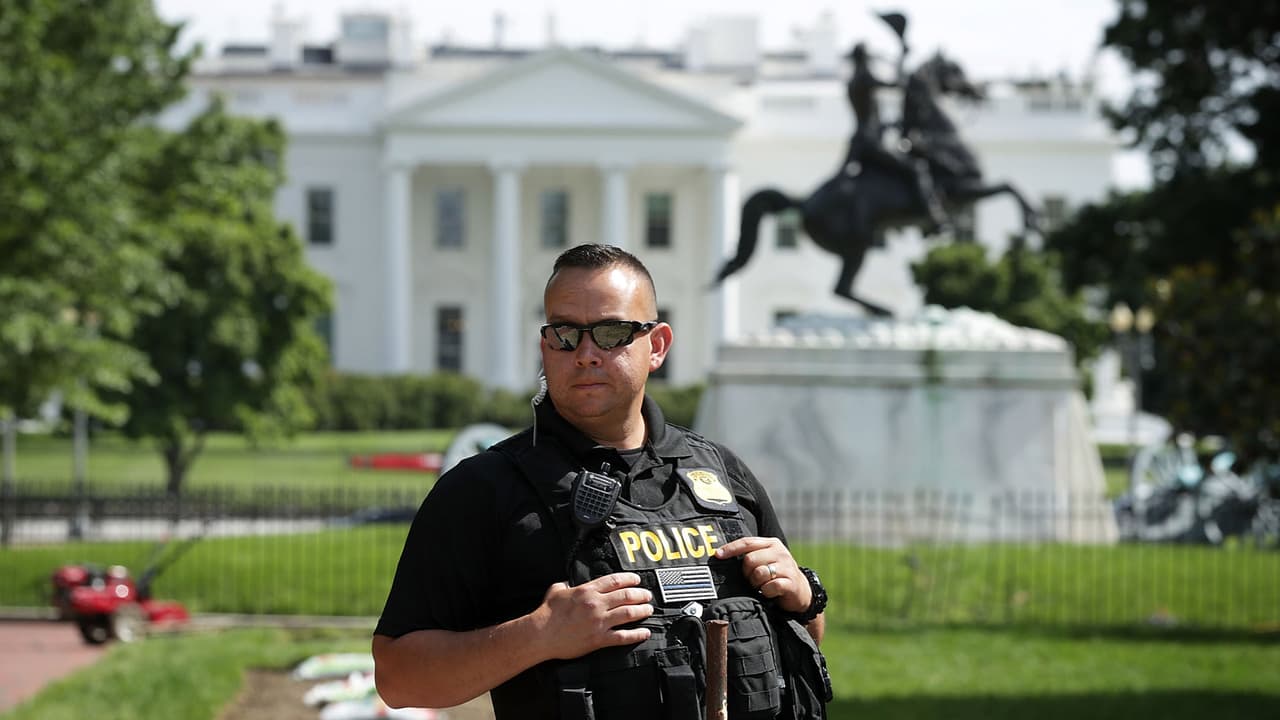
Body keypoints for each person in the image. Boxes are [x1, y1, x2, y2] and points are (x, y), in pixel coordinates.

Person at [372, 244, 831, 719]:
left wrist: (803, 595)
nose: (586, 354)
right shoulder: (484, 490)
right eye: (566, 333)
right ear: (545, 345)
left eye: (612, 333)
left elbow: (800, 641)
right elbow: (398, 677)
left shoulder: (721, 473)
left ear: (657, 345)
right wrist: (540, 635)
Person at [842, 42, 950, 236]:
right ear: (864, 58)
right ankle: (932, 217)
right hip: (871, 142)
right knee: (917, 168)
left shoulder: (853, 81)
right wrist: (901, 56)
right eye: (869, 56)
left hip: (861, 140)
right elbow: (898, 84)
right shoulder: (864, 77)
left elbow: (870, 115)